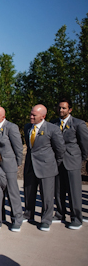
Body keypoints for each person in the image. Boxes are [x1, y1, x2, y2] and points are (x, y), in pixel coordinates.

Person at [23, 104, 65, 231]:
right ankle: (28, 214)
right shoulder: (27, 127)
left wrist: (52, 164)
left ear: (43, 116)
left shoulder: (52, 129)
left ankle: (46, 220)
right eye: (30, 114)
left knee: (46, 196)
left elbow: (60, 150)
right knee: (29, 192)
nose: (31, 117)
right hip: (31, 166)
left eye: (34, 115)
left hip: (46, 167)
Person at [51, 98, 88, 230]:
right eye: (59, 108)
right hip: (57, 162)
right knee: (58, 190)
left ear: (70, 109)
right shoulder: (53, 123)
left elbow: (85, 144)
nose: (61, 110)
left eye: (64, 108)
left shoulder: (78, 123)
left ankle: (76, 218)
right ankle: (60, 213)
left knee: (74, 192)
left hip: (72, 161)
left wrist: (81, 159)